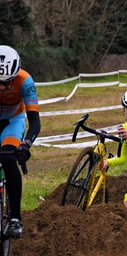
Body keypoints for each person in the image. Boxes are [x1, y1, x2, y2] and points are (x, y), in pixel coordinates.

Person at [0, 45, 41, 237]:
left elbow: (34, 121)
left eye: (6, 83)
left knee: (9, 159)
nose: (1, 87)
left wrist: (26, 144)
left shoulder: (25, 80)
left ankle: (15, 218)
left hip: (13, 121)